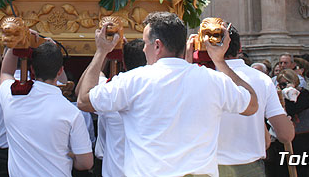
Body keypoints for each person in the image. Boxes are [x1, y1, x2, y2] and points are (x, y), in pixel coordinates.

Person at [77, 12, 258, 177]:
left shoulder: (133, 80)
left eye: (145, 44)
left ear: (157, 46)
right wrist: (219, 60)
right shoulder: (213, 80)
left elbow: (84, 100)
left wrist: (101, 52)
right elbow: (251, 105)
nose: (143, 50)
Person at [0, 41, 93, 177]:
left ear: (32, 69)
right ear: (60, 71)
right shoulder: (71, 112)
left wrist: (17, 42)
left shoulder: (13, 98)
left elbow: (6, 72)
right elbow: (86, 163)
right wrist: (67, 155)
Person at [217, 24, 294, 177]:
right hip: (250, 166)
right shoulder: (262, 79)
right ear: (239, 47)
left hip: (210, 166)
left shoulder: (200, 78)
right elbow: (285, 135)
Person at [93, 38, 147, 177]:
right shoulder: (158, 91)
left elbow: (83, 94)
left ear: (123, 63)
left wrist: (104, 51)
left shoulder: (112, 91)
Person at [269, 69, 309, 177]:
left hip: (301, 136)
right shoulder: (279, 95)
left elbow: (293, 110)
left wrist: (289, 95)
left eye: (286, 83)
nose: (284, 86)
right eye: (281, 84)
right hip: (284, 137)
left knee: (300, 169)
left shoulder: (303, 94)